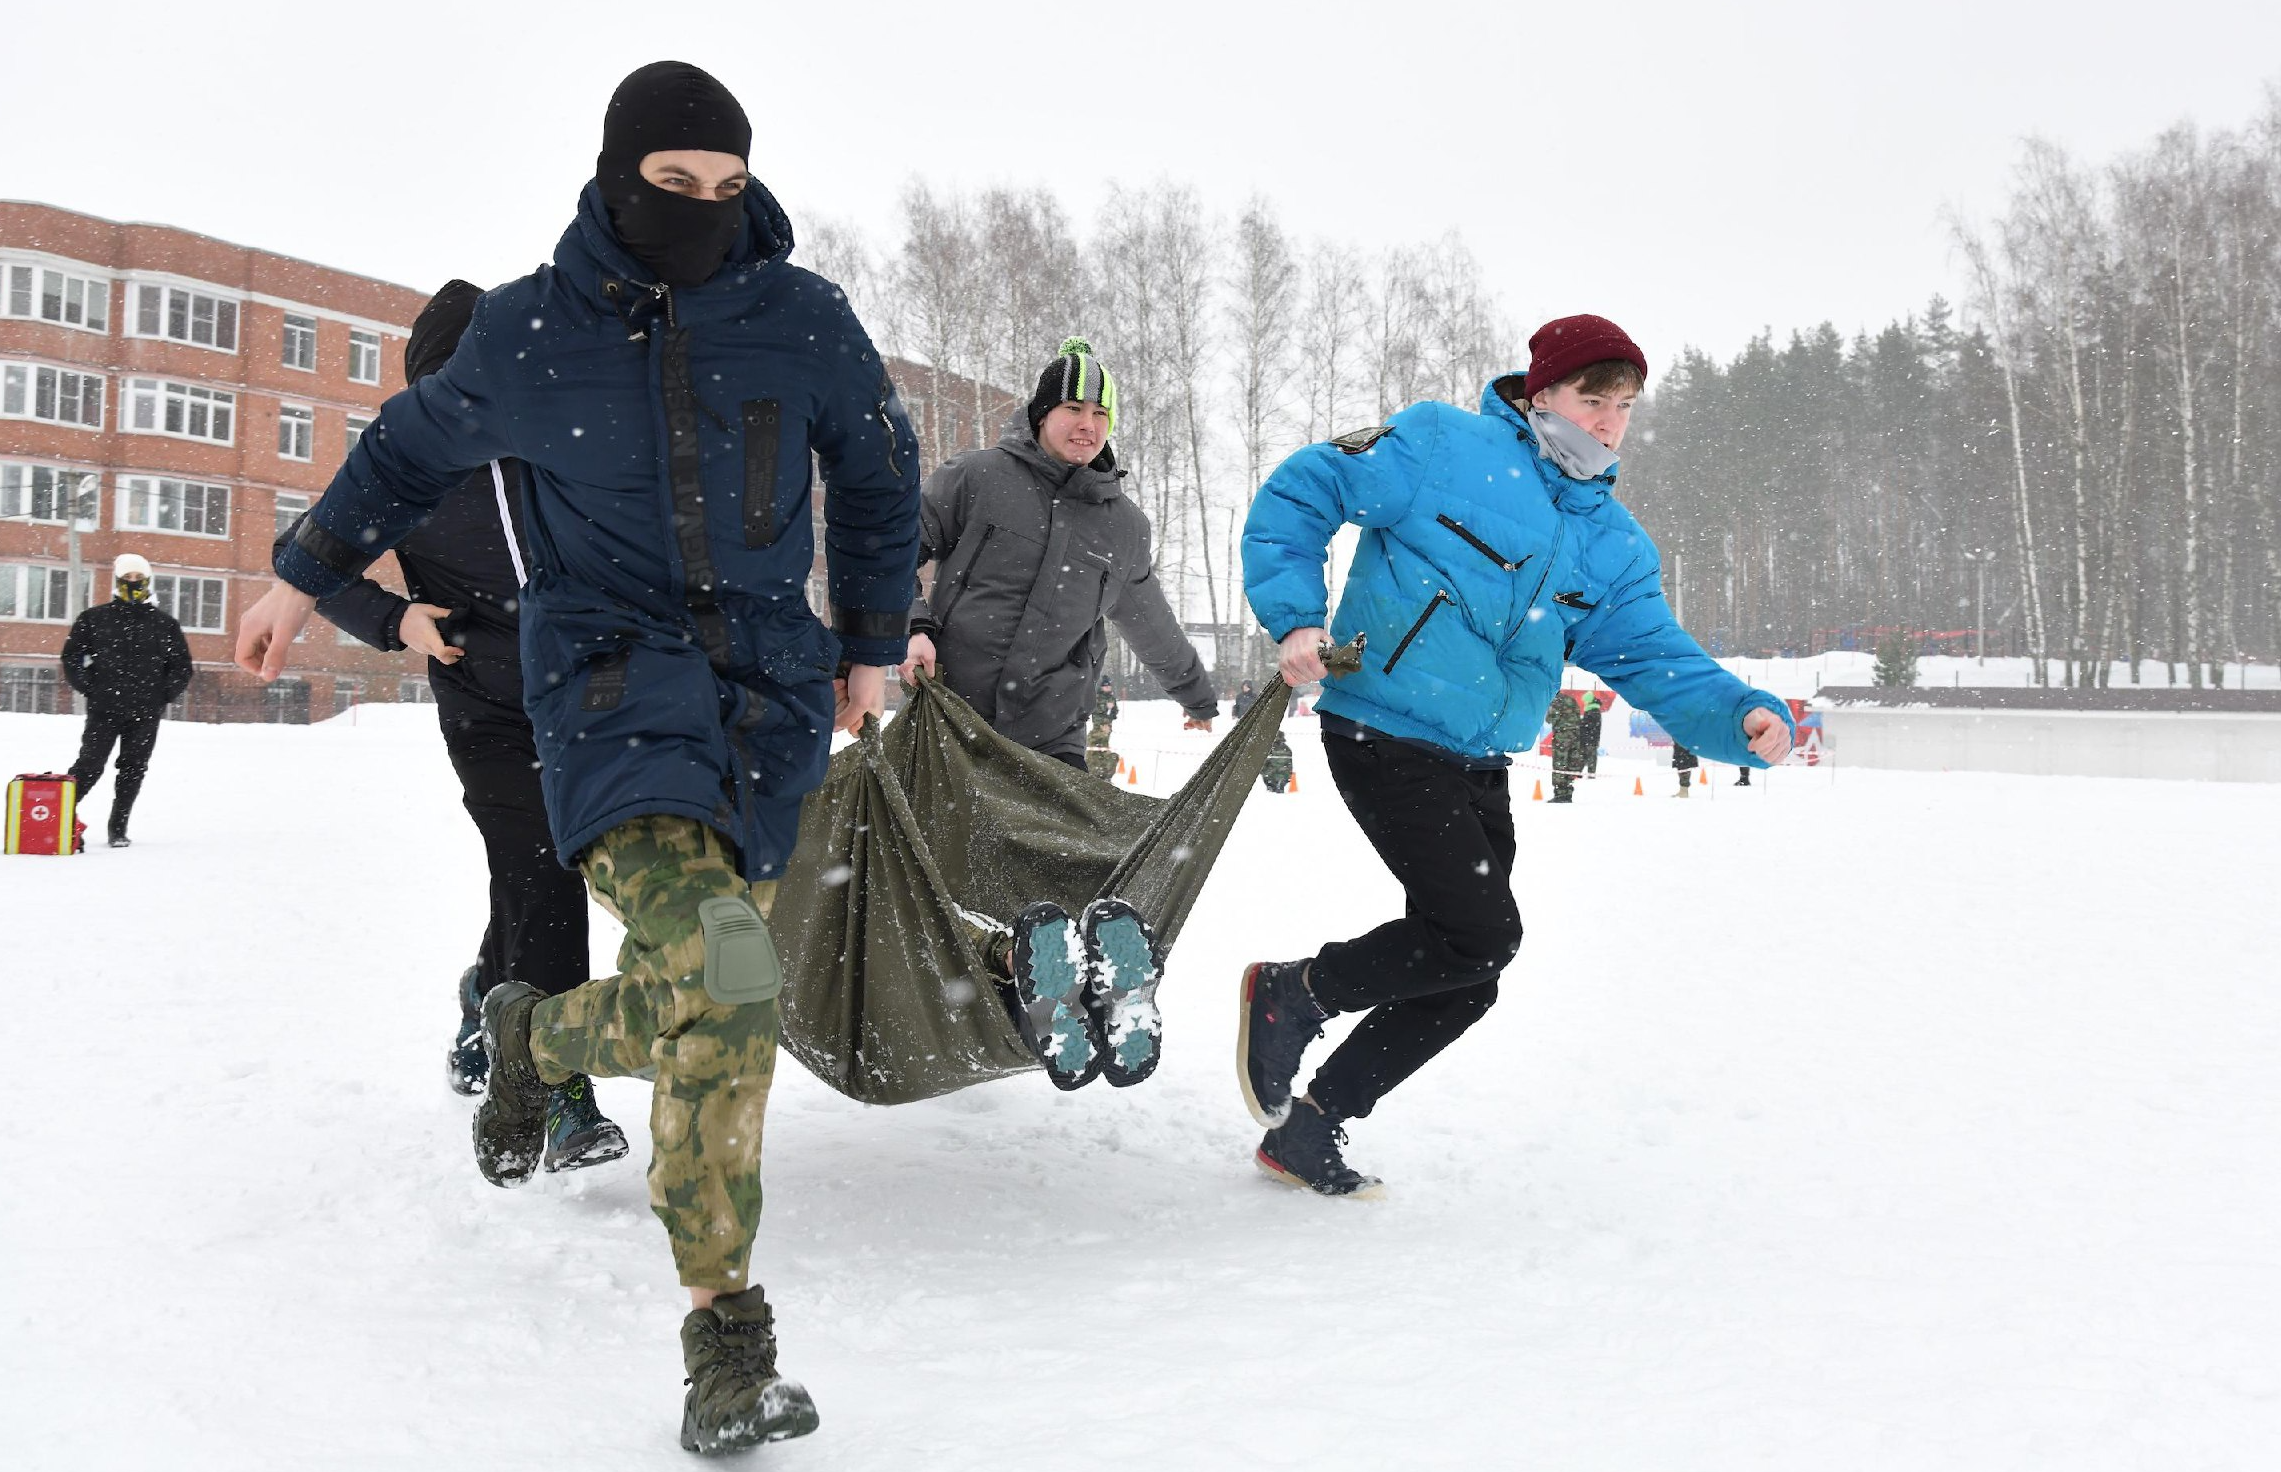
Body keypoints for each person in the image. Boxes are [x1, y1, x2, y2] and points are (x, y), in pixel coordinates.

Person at [233, 61, 918, 1455]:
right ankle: (726, 1344)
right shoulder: (532, 333)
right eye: (676, 188)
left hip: (764, 697)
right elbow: (398, 455)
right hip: (606, 684)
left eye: (727, 190)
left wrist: (868, 636)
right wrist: (301, 577)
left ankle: (532, 1034)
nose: (705, 212)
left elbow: (883, 468)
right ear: (617, 177)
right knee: (727, 968)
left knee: (703, 973)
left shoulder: (799, 318)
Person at [1236, 313, 1795, 1196]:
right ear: (1541, 394)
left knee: (1470, 972)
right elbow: (1303, 491)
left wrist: (1742, 716)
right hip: (1381, 728)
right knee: (1479, 935)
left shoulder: (1609, 543)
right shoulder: (1436, 446)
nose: (1607, 420)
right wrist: (1297, 617)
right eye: (1590, 397)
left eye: (1623, 406)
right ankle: (1295, 991)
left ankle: (1311, 1129)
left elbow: (1655, 657)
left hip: (1478, 758)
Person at [287, 280, 624, 1172]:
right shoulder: (403, 464)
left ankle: (488, 994)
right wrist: (396, 621)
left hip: (580, 700)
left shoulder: (560, 447)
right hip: (483, 706)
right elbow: (308, 553)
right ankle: (559, 1086)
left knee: (539, 872)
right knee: (543, 871)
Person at [898, 335, 1218, 767]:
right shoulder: (977, 477)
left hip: (1052, 738)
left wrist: (1194, 694)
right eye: (1074, 409)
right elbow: (894, 552)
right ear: (1043, 413)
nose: (1089, 424)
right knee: (920, 836)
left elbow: (1150, 620)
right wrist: (913, 629)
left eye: (1100, 413)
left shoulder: (1124, 526)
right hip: (947, 715)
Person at [61, 553, 192, 848]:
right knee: (90, 766)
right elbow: (71, 657)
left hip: (145, 712)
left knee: (133, 769)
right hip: (104, 709)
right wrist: (91, 688)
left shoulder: (164, 624)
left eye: (138, 578)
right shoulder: (94, 619)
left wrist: (162, 696)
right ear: (117, 581)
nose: (133, 583)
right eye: (127, 578)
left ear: (147, 581)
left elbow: (181, 666)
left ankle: (118, 827)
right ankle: (59, 815)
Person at [1546, 692, 1581, 803]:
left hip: (1562, 736)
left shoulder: (1555, 701)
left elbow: (1550, 719)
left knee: (1560, 763)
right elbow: (1578, 714)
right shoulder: (1571, 699)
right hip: (1575, 735)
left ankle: (1560, 794)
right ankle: (1568, 792)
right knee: (1571, 763)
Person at [1085, 673, 1120, 779]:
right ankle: (1095, 769)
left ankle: (1104, 770)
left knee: (1104, 748)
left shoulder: (1111, 698)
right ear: (1102, 687)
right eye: (1106, 686)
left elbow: (1115, 712)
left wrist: (1112, 712)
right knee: (1096, 746)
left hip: (1108, 727)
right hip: (1098, 726)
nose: (1108, 688)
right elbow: (1095, 712)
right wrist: (1105, 708)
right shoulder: (1098, 697)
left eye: (1109, 686)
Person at [1260, 729, 1295, 794]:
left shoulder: (1268, 748)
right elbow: (1289, 765)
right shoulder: (1286, 749)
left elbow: (1263, 765)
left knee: (1274, 790)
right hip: (1277, 775)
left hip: (1275, 775)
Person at [1580, 692, 1604, 776]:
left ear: (1589, 701)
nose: (1584, 703)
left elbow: (1590, 725)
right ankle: (1579, 773)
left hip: (1591, 739)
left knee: (1589, 757)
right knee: (1585, 756)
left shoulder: (1593, 711)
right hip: (1588, 738)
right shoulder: (1591, 710)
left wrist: (1581, 723)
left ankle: (1590, 774)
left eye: (1585, 701)